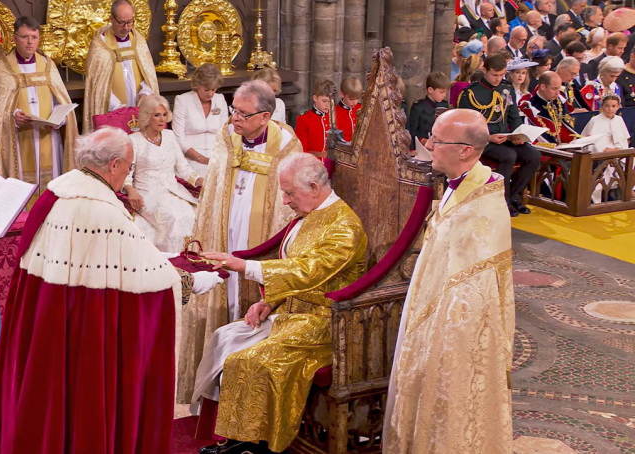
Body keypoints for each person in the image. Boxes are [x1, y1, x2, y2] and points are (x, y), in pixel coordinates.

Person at [0, 127, 221, 453]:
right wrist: (192, 281)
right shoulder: (102, 210)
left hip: (51, 323)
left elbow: (123, 253)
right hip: (86, 334)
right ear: (112, 165)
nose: (129, 172)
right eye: (129, 165)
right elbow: (147, 275)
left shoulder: (59, 190)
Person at [194, 153, 367, 454]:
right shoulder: (310, 212)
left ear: (314, 187)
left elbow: (308, 271)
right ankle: (238, 440)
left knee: (248, 360)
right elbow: (294, 266)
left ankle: (260, 446)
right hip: (292, 313)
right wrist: (269, 303)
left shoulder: (343, 228)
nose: (285, 201)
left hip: (326, 323)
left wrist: (245, 266)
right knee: (225, 338)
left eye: (289, 193)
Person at [383, 108, 515, 454]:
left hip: (453, 338)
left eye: (437, 140)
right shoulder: (457, 187)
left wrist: (436, 350)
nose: (427, 144)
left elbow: (473, 299)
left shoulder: (483, 209)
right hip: (428, 318)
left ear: (465, 151)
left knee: (447, 409)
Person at [177, 80, 302, 404]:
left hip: (260, 242)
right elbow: (214, 194)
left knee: (247, 302)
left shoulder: (286, 146)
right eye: (234, 110)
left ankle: (247, 391)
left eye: (244, 114)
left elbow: (287, 210)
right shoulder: (227, 136)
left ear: (265, 117)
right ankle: (214, 387)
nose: (235, 118)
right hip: (224, 234)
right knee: (224, 300)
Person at [0, 17, 78, 192]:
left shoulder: (47, 64)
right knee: (24, 186)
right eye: (25, 37)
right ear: (15, 38)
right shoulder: (3, 67)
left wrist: (59, 118)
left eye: (34, 37)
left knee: (50, 182)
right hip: (18, 138)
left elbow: (60, 98)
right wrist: (13, 116)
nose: (30, 42)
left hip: (48, 135)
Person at [457, 54, 541, 217]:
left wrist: (519, 134)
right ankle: (503, 200)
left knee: (534, 155)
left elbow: (513, 115)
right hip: (482, 140)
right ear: (484, 70)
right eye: (494, 75)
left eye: (501, 75)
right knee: (509, 156)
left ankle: (516, 197)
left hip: (505, 137)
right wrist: (488, 137)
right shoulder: (471, 93)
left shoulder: (506, 88)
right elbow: (467, 124)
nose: (498, 79)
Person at [125, 95, 202, 252]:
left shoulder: (169, 135)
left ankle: (190, 259)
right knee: (174, 217)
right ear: (147, 116)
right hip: (147, 195)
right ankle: (172, 261)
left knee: (192, 214)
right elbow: (126, 175)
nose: (162, 120)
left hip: (174, 192)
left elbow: (184, 168)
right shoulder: (133, 140)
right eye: (157, 115)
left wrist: (201, 180)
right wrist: (130, 190)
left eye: (164, 115)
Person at [83, 0, 159, 132]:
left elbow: (148, 75)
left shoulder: (138, 41)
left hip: (139, 110)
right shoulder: (100, 44)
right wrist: (116, 106)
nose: (126, 27)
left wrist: (145, 92)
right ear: (111, 19)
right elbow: (99, 85)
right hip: (113, 112)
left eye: (130, 22)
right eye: (122, 22)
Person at [173, 63, 229, 177]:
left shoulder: (220, 99)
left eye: (213, 90)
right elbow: (178, 139)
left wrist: (218, 158)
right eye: (206, 89)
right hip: (191, 157)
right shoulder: (182, 100)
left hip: (217, 155)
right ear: (197, 85)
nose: (210, 94)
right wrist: (202, 159)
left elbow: (225, 133)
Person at [582, 92, 631, 203]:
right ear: (602, 106)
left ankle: (627, 195)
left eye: (613, 106)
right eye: (607, 106)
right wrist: (605, 150)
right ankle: (596, 202)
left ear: (618, 107)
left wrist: (619, 149)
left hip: (618, 153)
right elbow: (590, 141)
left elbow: (623, 140)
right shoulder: (595, 120)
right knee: (605, 170)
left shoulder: (619, 120)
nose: (610, 109)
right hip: (600, 155)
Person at [519, 71, 579, 144]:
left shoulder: (558, 101)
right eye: (554, 89)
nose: (557, 93)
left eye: (559, 88)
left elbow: (565, 128)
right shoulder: (530, 106)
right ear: (543, 87)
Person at [407, 71, 450, 146]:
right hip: (422, 148)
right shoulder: (418, 107)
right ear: (430, 90)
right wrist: (422, 141)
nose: (444, 95)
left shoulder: (444, 105)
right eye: (441, 92)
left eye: (446, 92)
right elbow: (412, 132)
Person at [295, 79, 335, 155]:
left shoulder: (334, 117)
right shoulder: (304, 119)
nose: (327, 105)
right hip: (313, 162)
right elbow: (302, 149)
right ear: (315, 98)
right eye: (324, 101)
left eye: (330, 101)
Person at [336, 77, 363, 142]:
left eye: (357, 99)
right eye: (351, 99)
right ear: (342, 94)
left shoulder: (361, 107)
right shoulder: (336, 112)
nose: (355, 103)